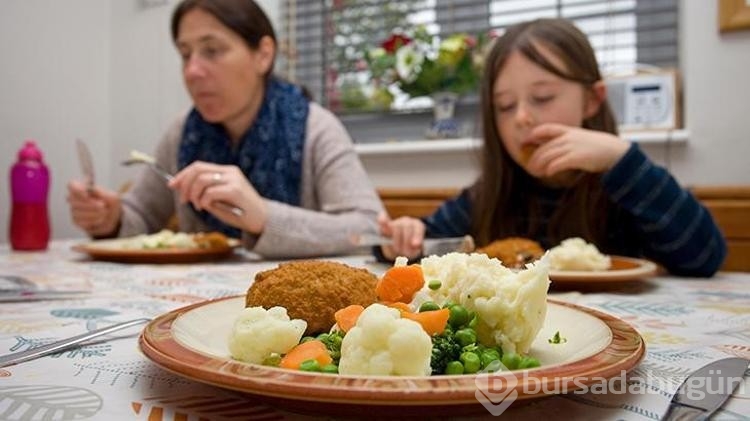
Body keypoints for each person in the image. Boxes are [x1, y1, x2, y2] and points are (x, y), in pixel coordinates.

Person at [378, 18, 726, 277]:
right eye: (504, 106)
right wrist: (403, 237)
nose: (522, 118)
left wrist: (622, 159)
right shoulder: (488, 196)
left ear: (592, 100)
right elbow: (423, 245)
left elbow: (705, 257)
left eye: (543, 97)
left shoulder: (629, 186)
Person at [67, 0, 383, 258]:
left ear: (263, 54)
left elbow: (371, 228)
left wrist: (264, 217)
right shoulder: (181, 132)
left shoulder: (316, 128)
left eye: (212, 50)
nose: (192, 71)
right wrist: (111, 218)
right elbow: (140, 218)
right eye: (185, 54)